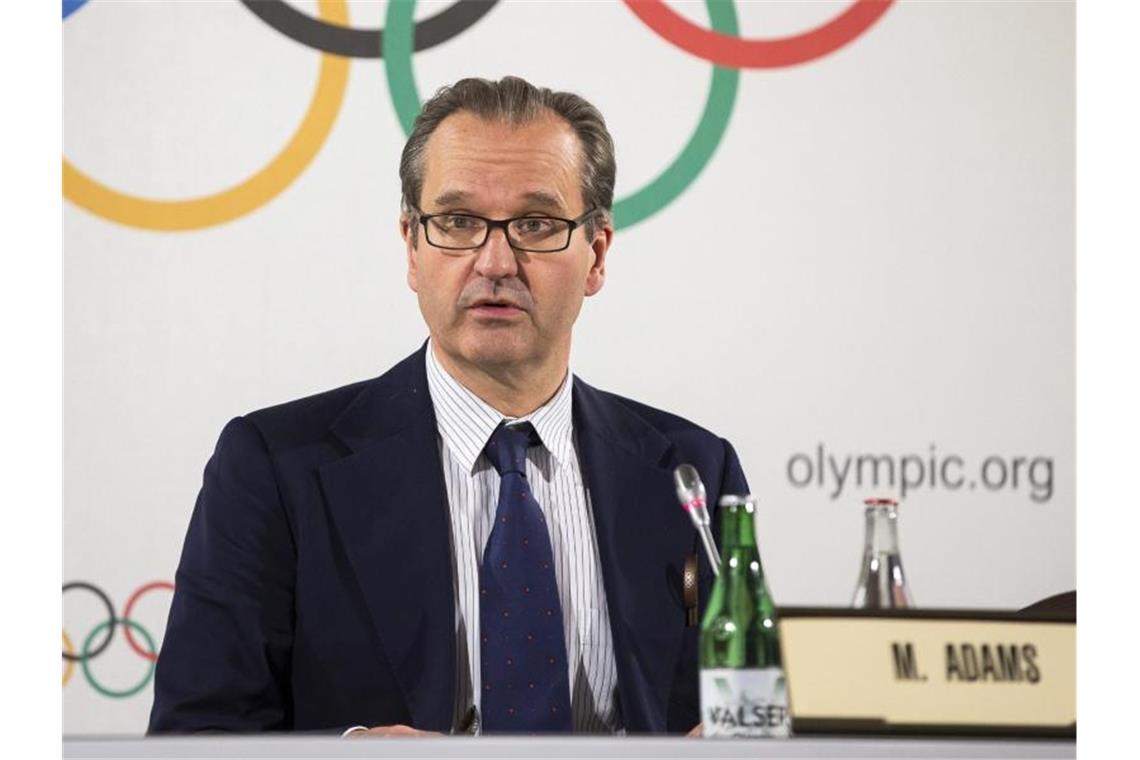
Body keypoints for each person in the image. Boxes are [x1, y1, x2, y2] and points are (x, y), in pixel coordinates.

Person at [149, 76, 748, 736]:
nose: (495, 261)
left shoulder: (693, 474)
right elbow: (194, 737)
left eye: (537, 224)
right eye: (458, 222)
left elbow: (743, 703)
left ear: (597, 254)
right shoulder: (276, 469)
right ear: (412, 246)